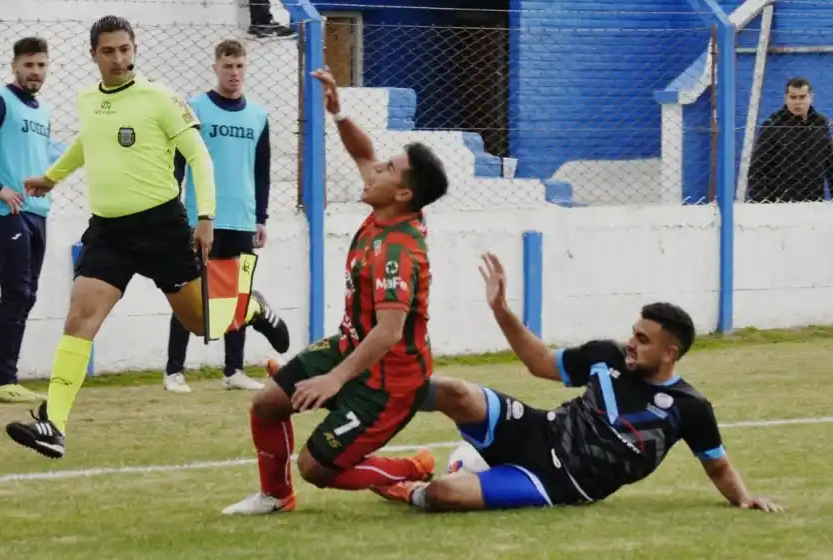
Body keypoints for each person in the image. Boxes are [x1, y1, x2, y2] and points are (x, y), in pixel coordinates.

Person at [3, 15, 275, 459]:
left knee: (200, 322)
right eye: (108, 51)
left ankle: (252, 304)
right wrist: (53, 177)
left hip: (162, 228)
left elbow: (200, 158)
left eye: (125, 50)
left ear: (135, 50)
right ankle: (54, 424)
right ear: (93, 55)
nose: (118, 59)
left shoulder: (160, 98)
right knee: (79, 319)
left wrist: (205, 216)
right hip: (109, 231)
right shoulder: (89, 99)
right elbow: (87, 142)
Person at [372, 253, 785, 514]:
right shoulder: (606, 356)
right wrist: (501, 310)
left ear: (669, 352)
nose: (631, 343)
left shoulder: (689, 407)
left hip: (556, 484)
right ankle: (370, 394)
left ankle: (410, 485)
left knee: (443, 494)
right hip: (535, 430)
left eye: (643, 340)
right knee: (453, 391)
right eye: (633, 333)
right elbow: (538, 362)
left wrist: (744, 497)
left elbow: (718, 465)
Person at [221, 68, 449, 515]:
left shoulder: (398, 251)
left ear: (403, 193)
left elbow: (387, 332)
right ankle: (274, 496)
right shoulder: (388, 204)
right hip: (350, 345)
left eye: (388, 167)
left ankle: (407, 469)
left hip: (389, 381)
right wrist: (339, 113)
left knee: (317, 469)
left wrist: (334, 378)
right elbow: (363, 154)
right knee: (267, 403)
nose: (375, 166)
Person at [164, 39, 290, 395]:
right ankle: (174, 370)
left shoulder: (258, 116)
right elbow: (177, 162)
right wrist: (175, 211)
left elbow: (262, 171)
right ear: (215, 67)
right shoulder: (196, 109)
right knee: (190, 294)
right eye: (228, 66)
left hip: (242, 220)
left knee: (237, 296)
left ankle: (233, 370)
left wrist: (261, 217)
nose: (234, 73)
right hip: (200, 219)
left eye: (240, 66)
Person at [0, 37, 52, 404]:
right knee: (15, 291)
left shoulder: (42, 112)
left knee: (28, 294)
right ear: (15, 66)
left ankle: (8, 377)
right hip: (5, 211)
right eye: (28, 65)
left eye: (41, 65)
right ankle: (2, 381)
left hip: (36, 213)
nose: (35, 72)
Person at [746, 77, 833, 203]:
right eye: (793, 97)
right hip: (781, 201)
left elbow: (829, 163)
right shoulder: (773, 126)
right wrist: (763, 203)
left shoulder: (820, 124)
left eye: (802, 97)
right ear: (786, 98)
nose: (797, 102)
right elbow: (757, 169)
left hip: (814, 200)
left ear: (811, 97)